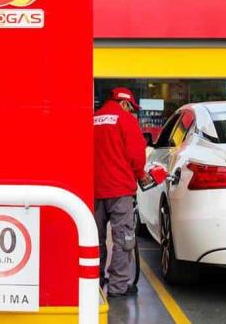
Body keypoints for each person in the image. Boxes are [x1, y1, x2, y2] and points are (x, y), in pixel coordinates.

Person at [93, 87, 152, 297]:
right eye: (131, 107)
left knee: (94, 238)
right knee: (123, 239)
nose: (131, 111)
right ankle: (118, 287)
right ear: (124, 103)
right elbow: (136, 154)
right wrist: (141, 174)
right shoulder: (126, 120)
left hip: (93, 189)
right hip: (119, 190)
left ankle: (93, 281)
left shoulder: (92, 119)